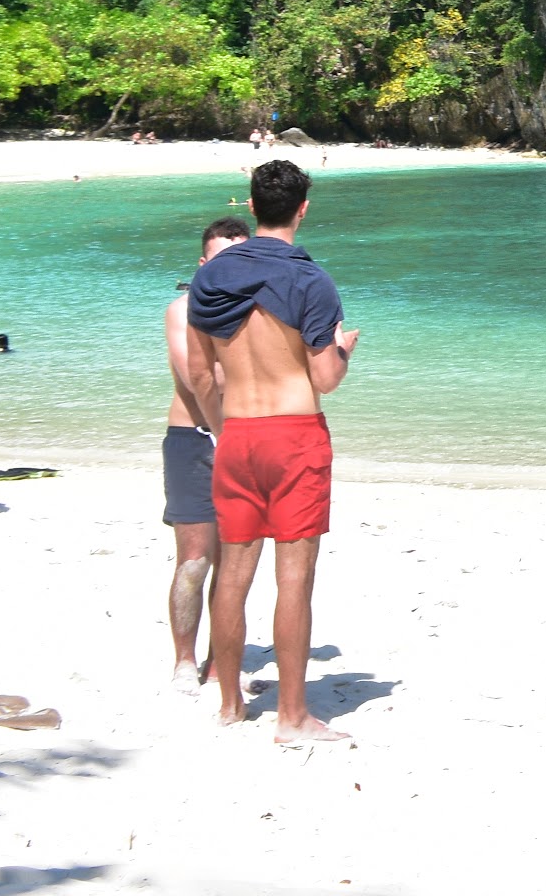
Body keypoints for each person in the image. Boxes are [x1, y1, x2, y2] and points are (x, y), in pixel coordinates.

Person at [187, 160, 358, 742]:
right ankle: (291, 716)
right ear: (302, 209)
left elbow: (199, 374)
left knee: (232, 575)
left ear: (253, 207)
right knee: (294, 578)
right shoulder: (312, 281)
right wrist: (344, 350)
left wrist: (223, 428)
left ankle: (231, 703)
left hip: (237, 435)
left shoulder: (208, 278)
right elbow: (325, 378)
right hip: (294, 436)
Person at [164, 218, 248, 688]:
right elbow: (202, 378)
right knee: (195, 559)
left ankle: (220, 661)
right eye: (221, 260)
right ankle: (183, 660)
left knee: (235, 560)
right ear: (202, 264)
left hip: (243, 437)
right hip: (193, 438)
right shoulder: (183, 309)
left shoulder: (260, 312)